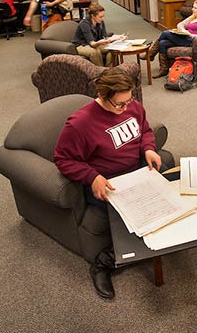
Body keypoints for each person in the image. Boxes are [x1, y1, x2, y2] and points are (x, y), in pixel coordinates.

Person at [53, 67, 162, 299]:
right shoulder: (80, 124)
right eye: (119, 104)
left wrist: (149, 149)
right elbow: (63, 159)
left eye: (129, 100)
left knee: (167, 200)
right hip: (109, 184)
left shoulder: (133, 106)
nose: (126, 108)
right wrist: (92, 177)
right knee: (140, 215)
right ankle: (102, 264)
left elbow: (145, 131)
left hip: (137, 173)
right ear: (102, 96)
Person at [147, 0, 197, 78]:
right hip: (184, 37)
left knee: (165, 33)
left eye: (195, 8)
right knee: (162, 43)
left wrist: (191, 35)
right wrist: (184, 31)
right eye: (193, 7)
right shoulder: (192, 17)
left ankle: (150, 53)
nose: (192, 9)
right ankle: (164, 69)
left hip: (191, 41)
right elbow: (180, 25)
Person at [71, 2, 125, 66]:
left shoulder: (101, 22)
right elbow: (92, 44)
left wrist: (117, 38)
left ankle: (109, 71)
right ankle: (100, 72)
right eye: (100, 17)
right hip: (81, 45)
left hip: (95, 43)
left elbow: (105, 37)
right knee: (95, 52)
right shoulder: (84, 24)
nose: (102, 19)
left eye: (103, 16)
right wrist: (100, 42)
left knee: (112, 49)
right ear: (93, 16)